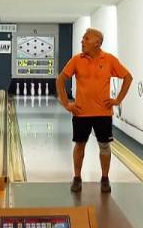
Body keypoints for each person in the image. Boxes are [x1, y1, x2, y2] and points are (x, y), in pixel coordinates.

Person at [56, 28, 133, 193]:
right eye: (83, 38)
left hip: (103, 114)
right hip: (81, 113)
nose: (82, 41)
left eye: (86, 38)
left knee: (104, 146)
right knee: (79, 146)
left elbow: (128, 77)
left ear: (96, 43)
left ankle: (105, 179)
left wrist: (117, 100)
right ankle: (77, 178)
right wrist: (66, 104)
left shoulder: (109, 59)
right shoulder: (77, 60)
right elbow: (60, 80)